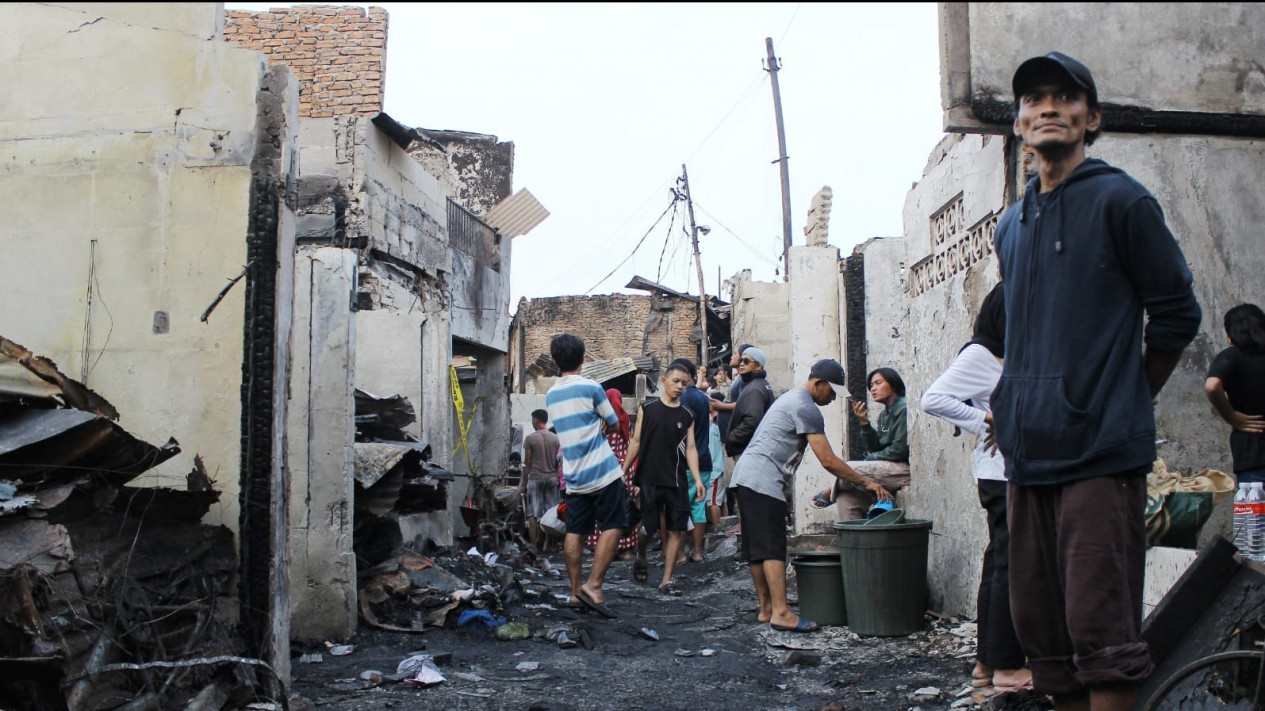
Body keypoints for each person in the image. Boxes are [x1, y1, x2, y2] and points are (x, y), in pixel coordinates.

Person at [993, 52, 1201, 709]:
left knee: (1101, 635)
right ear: (1018, 122)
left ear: (1092, 118)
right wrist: (1012, 400)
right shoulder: (1010, 223)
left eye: (1063, 96)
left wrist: (1127, 394)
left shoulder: (1121, 200)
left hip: (1098, 455)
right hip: (1028, 457)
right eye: (1033, 99)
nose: (1046, 107)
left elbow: (1176, 314)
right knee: (1043, 637)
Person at [920, 283, 1032, 693]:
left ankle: (987, 663)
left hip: (1007, 472)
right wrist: (986, 421)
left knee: (1001, 562)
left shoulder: (1006, 354)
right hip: (1000, 474)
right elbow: (932, 399)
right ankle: (1005, 666)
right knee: (1010, 565)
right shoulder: (980, 354)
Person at [730, 359, 892, 632]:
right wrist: (868, 483)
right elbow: (828, 460)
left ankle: (766, 609)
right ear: (818, 383)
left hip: (747, 477)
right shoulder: (806, 407)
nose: (832, 399)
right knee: (772, 547)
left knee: (757, 548)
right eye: (831, 392)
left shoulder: (791, 399)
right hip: (762, 480)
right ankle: (781, 612)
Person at [545, 334, 631, 617]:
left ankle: (574, 592)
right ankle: (594, 586)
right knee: (614, 525)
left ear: (556, 361)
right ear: (583, 359)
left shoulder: (551, 394)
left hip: (574, 476)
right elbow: (614, 422)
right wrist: (603, 426)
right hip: (602, 472)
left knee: (575, 532)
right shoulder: (592, 387)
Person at [625, 362, 705, 595]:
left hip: (676, 480)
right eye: (676, 382)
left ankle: (667, 580)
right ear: (664, 381)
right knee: (648, 527)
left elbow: (690, 449)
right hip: (649, 477)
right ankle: (641, 553)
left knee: (676, 530)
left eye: (684, 383)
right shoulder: (647, 409)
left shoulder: (687, 414)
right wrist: (624, 470)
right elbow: (636, 441)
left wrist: (698, 479)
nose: (680, 387)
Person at [816, 367, 911, 521]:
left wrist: (871, 458)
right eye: (871, 386)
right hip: (886, 469)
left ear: (893, 384)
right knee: (845, 497)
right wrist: (864, 422)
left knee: (850, 467)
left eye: (878, 383)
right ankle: (853, 542)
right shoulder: (884, 415)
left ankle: (829, 492)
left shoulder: (903, 408)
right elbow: (876, 448)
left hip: (902, 470)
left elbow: (899, 450)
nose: (873, 389)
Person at [1206, 304, 1265, 481]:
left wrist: (1231, 416)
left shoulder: (1230, 357)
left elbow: (1212, 385)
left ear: (1230, 336)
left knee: (1255, 508)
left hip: (1251, 452)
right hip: (1252, 456)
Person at [670, 358, 713, 564]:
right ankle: (696, 552)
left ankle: (679, 554)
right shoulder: (703, 398)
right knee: (698, 507)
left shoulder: (682, 399)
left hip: (685, 462)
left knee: (679, 508)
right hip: (704, 459)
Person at [587, 388, 640, 555]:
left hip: (605, 470)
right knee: (625, 509)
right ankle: (625, 550)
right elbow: (633, 445)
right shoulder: (626, 421)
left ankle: (603, 549)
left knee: (602, 510)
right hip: (626, 470)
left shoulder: (602, 421)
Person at [520, 409, 562, 553]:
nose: (532, 423)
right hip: (552, 478)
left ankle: (534, 547)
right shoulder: (555, 438)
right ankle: (553, 544)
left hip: (536, 478)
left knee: (532, 514)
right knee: (553, 514)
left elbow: (527, 463)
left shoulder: (530, 439)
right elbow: (558, 461)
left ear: (536, 420)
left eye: (532, 420)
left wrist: (524, 484)